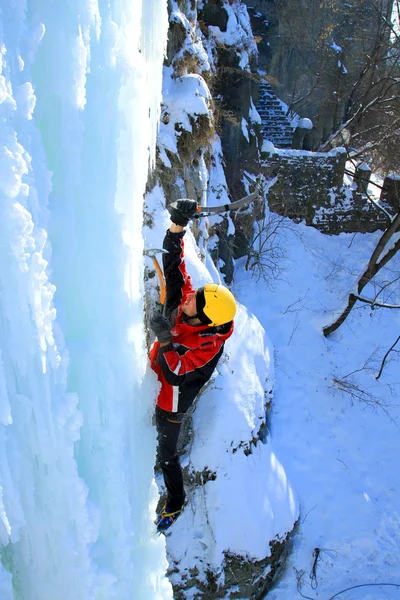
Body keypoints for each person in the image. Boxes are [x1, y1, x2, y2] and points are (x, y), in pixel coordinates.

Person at [149, 199, 236, 532]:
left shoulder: (208, 345)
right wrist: (178, 224)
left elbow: (176, 373)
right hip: (155, 373)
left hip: (170, 403)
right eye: (193, 294)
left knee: (166, 453)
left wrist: (167, 341)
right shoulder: (193, 305)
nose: (187, 297)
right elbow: (175, 267)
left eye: (193, 301)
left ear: (201, 318)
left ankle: (175, 501)